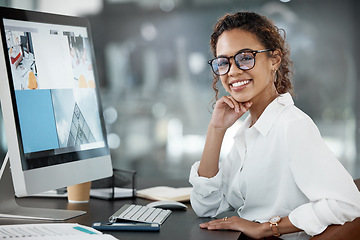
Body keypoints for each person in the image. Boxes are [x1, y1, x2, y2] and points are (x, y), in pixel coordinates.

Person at [189, 11, 360, 240]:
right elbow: (206, 207)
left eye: (245, 57)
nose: (233, 71)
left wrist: (267, 227)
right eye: (223, 62)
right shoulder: (249, 130)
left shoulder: (292, 126)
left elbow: (347, 203)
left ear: (274, 60)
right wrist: (216, 130)